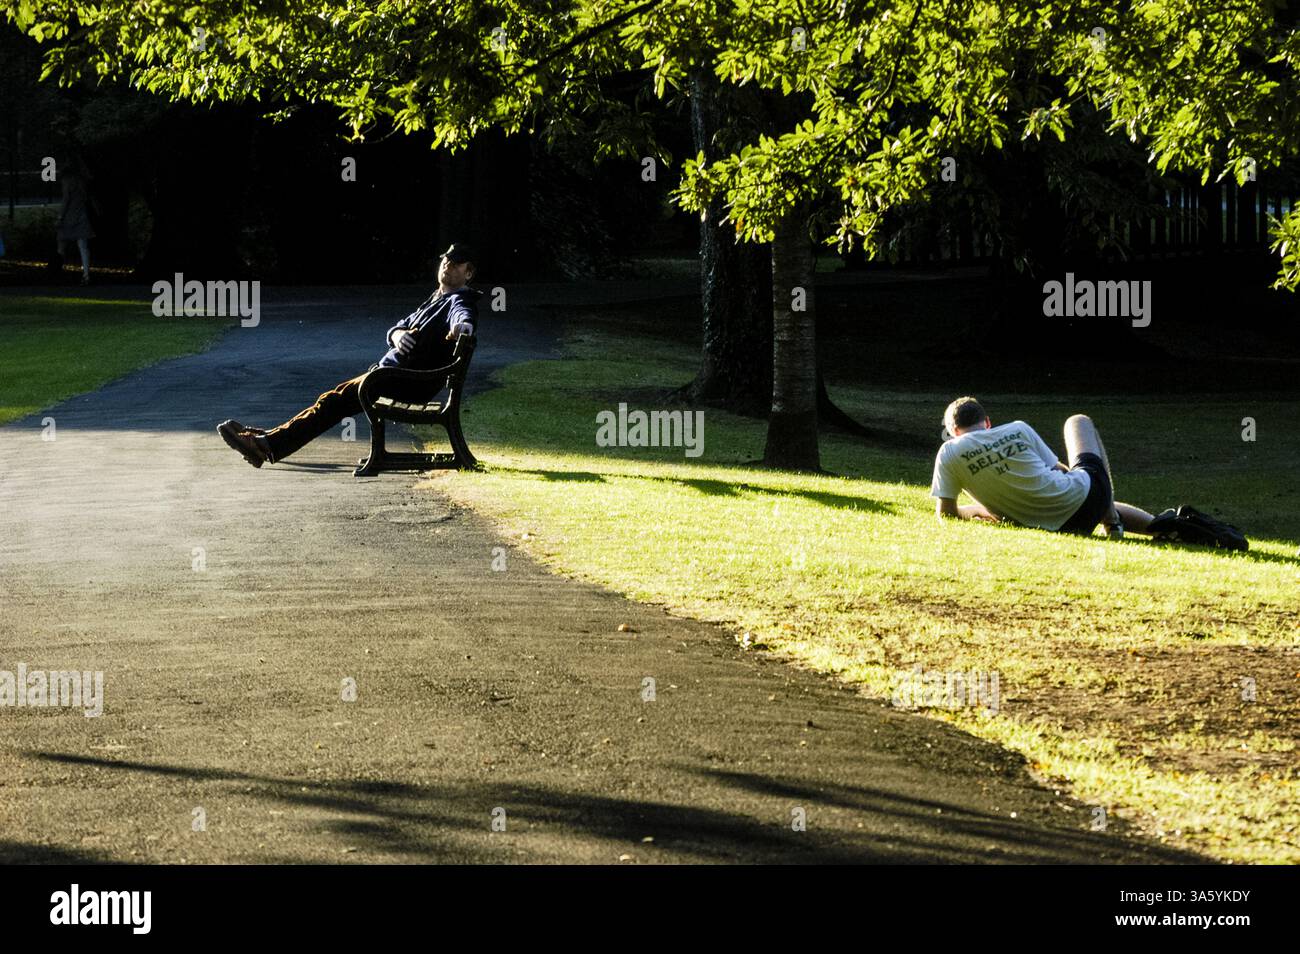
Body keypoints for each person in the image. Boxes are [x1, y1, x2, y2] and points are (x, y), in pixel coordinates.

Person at [218, 242, 481, 467]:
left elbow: (463, 316)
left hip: (406, 381)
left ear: (468, 273)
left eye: (457, 263)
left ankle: (267, 444)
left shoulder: (459, 300)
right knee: (333, 399)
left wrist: (462, 328)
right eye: (446, 259)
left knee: (334, 401)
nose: (447, 264)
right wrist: (396, 335)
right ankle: (271, 440)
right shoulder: (437, 298)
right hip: (392, 376)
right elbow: (399, 324)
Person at [930, 396, 1247, 549]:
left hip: (1062, 526)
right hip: (1085, 499)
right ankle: (1112, 519)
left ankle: (1156, 526)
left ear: (953, 432)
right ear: (987, 422)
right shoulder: (1016, 428)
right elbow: (1060, 469)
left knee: (1076, 488)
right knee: (1078, 421)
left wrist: (988, 512)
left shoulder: (949, 453)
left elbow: (946, 514)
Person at [56, 155, 96, 285]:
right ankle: (86, 274)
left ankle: (57, 272)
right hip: (81, 214)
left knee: (61, 245)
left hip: (69, 216)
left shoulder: (67, 180)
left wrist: (60, 217)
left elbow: (66, 200)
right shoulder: (82, 180)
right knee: (83, 246)